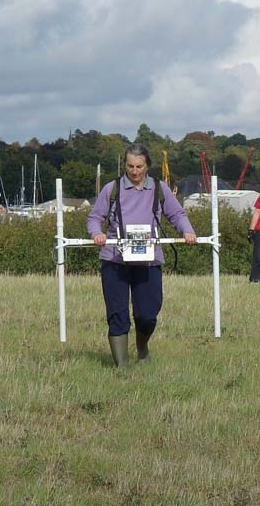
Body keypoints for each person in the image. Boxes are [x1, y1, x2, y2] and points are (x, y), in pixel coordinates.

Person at [87, 143, 196, 367]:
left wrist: (187, 230)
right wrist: (96, 233)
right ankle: (122, 367)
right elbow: (94, 217)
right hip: (115, 260)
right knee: (117, 314)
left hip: (148, 260)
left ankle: (142, 347)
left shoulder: (159, 188)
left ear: (147, 166)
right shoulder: (112, 188)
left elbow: (176, 214)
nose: (134, 171)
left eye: (139, 166)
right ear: (125, 165)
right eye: (130, 166)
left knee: (147, 313)